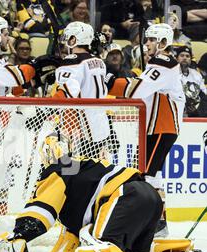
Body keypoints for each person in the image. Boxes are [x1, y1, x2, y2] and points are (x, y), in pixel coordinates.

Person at [0, 132, 206, 252]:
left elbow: (40, 213)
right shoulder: (85, 170)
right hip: (148, 198)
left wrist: (18, 235)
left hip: (125, 197)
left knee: (97, 246)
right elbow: (70, 238)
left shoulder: (59, 169)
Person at [105, 23, 186, 237]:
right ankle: (159, 224)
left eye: (151, 40)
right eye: (147, 39)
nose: (147, 43)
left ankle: (151, 224)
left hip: (163, 126)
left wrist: (112, 82)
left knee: (147, 177)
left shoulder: (163, 62)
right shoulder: (158, 64)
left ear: (163, 43)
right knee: (153, 176)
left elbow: (137, 90)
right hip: (158, 126)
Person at [52, 22, 115, 159]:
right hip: (101, 128)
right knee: (98, 172)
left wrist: (46, 108)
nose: (65, 40)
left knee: (74, 175)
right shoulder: (99, 61)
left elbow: (69, 91)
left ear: (74, 39)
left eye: (68, 37)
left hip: (81, 130)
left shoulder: (72, 62)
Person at [0, 15, 59, 100]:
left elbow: (8, 89)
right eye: (5, 35)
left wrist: (33, 81)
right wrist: (34, 65)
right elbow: (10, 77)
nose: (8, 38)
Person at [176, 46, 206, 117]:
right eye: (182, 55)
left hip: (192, 111)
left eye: (187, 56)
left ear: (190, 59)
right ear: (177, 58)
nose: (185, 58)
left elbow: (204, 93)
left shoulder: (196, 74)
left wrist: (197, 108)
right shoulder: (171, 73)